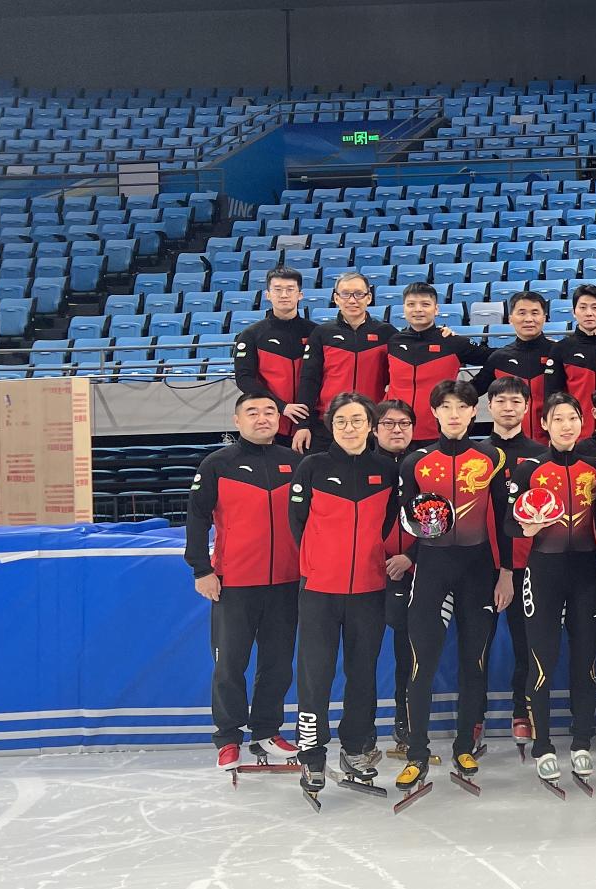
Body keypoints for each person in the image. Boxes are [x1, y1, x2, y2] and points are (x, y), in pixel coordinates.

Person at [394, 380, 512, 791]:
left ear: (474, 411)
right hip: (432, 569)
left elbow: (504, 518)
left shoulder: (492, 457)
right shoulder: (415, 461)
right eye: (446, 406)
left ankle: (465, 744)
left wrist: (507, 571)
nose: (455, 414)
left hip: (478, 570)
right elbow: (407, 518)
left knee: (473, 661)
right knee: (421, 663)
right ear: (435, 413)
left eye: (463, 406)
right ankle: (416, 752)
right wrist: (410, 553)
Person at [289, 393, 399, 797]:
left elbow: (388, 523)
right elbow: (297, 522)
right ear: (331, 426)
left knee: (362, 673)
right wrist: (319, 562)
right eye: (341, 421)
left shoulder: (386, 470)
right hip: (319, 591)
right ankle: (311, 754)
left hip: (368, 591)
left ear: (370, 426)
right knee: (315, 675)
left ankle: (356, 748)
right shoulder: (312, 467)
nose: (349, 428)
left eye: (357, 421)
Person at [187, 392, 302, 770]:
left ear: (279, 419)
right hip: (234, 582)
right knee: (229, 665)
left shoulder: (295, 463)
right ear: (238, 421)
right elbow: (197, 517)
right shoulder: (217, 464)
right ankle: (228, 737)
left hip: (286, 581)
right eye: (252, 412)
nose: (262, 418)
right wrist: (201, 569)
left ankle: (267, 731)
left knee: (278, 663)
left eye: (269, 411)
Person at [505, 392, 596, 785]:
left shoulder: (594, 467)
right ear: (545, 424)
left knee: (585, 661)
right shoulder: (529, 469)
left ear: (583, 423)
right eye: (558, 419)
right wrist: (526, 528)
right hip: (543, 572)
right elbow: (508, 523)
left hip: (586, 573)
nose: (567, 426)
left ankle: (582, 741)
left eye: (573, 418)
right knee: (542, 661)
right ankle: (543, 746)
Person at [483, 376, 543, 750]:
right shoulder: (476, 455)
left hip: (527, 567)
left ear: (527, 407)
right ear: (489, 406)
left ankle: (522, 711)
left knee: (526, 645)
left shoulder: (539, 455)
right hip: (482, 566)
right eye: (501, 401)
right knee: (477, 647)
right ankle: (473, 718)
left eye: (516, 401)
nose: (508, 407)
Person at [294, 272, 393, 453]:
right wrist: (303, 425)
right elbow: (309, 380)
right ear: (336, 298)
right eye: (346, 294)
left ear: (369, 297)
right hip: (328, 423)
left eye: (359, 294)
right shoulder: (322, 333)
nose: (352, 300)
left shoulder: (386, 333)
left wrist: (443, 334)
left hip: (372, 424)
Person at [386, 282, 493, 447]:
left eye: (425, 304)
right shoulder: (393, 341)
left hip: (439, 433)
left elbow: (496, 358)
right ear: (404, 308)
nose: (418, 309)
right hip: (396, 432)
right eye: (411, 304)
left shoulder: (452, 342)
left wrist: (470, 391)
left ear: (436, 309)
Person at [370, 400, 418, 755]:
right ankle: (361, 734)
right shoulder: (360, 465)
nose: (397, 429)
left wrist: (410, 557)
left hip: (413, 572)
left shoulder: (424, 466)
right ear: (374, 429)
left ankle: (406, 727)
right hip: (367, 575)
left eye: (404, 423)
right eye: (388, 423)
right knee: (362, 657)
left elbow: (440, 521)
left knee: (409, 656)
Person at [232, 267, 315, 444]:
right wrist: (281, 406)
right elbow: (244, 379)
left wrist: (305, 421)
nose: (284, 295)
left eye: (290, 289)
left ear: (300, 295)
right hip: (270, 424)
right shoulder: (251, 335)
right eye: (277, 289)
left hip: (310, 425)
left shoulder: (316, 333)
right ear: (268, 295)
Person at [480, 290, 555, 439]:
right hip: (509, 443)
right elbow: (470, 391)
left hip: (552, 443)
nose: (529, 319)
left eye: (535, 313)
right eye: (522, 313)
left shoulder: (559, 353)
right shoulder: (499, 358)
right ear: (510, 319)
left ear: (544, 318)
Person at [547, 285, 596, 439]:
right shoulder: (561, 349)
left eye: (595, 307)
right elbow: (553, 396)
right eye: (583, 307)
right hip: (575, 435)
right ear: (574, 312)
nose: (589, 313)